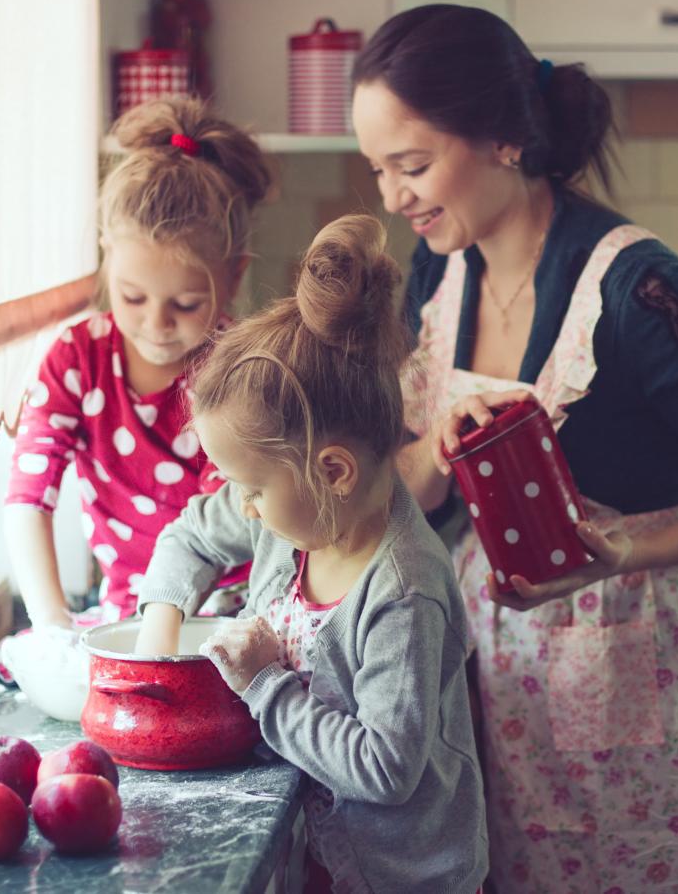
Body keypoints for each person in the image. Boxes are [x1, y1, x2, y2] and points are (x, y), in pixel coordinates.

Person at [352, 4, 678, 893]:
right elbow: (418, 487)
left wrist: (622, 553)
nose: (393, 198)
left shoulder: (640, 290)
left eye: (412, 166)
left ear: (503, 138)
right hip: (498, 687)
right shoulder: (440, 269)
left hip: (641, 680)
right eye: (377, 170)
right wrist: (434, 455)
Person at [132, 215, 488, 894]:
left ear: (333, 471)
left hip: (403, 878)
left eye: (251, 488)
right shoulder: (294, 518)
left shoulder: (403, 592)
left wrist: (265, 684)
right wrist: (159, 629)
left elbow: (384, 769)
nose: (242, 506)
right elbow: (190, 535)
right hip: (320, 852)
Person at [4, 97, 269, 631]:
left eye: (186, 304)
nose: (156, 323)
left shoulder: (239, 367)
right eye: (132, 297)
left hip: (235, 614)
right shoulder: (77, 358)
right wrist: (52, 625)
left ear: (234, 276)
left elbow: (214, 532)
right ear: (108, 258)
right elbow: (28, 498)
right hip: (127, 615)